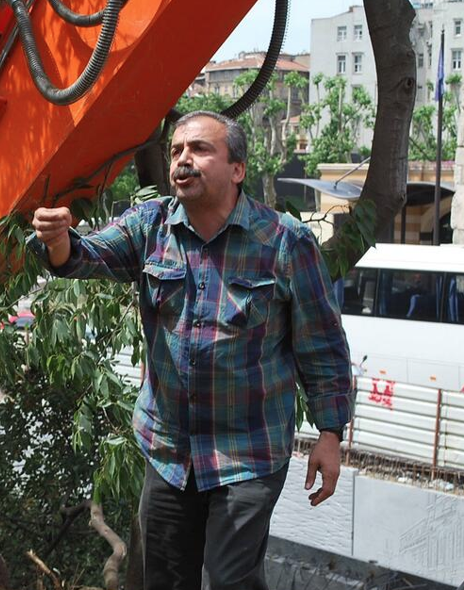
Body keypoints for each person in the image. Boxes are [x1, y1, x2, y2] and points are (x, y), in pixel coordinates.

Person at [30, 111, 353, 590]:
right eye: (177, 150)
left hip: (249, 454)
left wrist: (330, 433)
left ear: (237, 169)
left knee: (230, 580)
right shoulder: (151, 226)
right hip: (169, 452)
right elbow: (86, 256)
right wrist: (57, 241)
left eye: (200, 149)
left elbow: (323, 345)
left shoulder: (284, 241)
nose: (183, 159)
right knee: (164, 579)